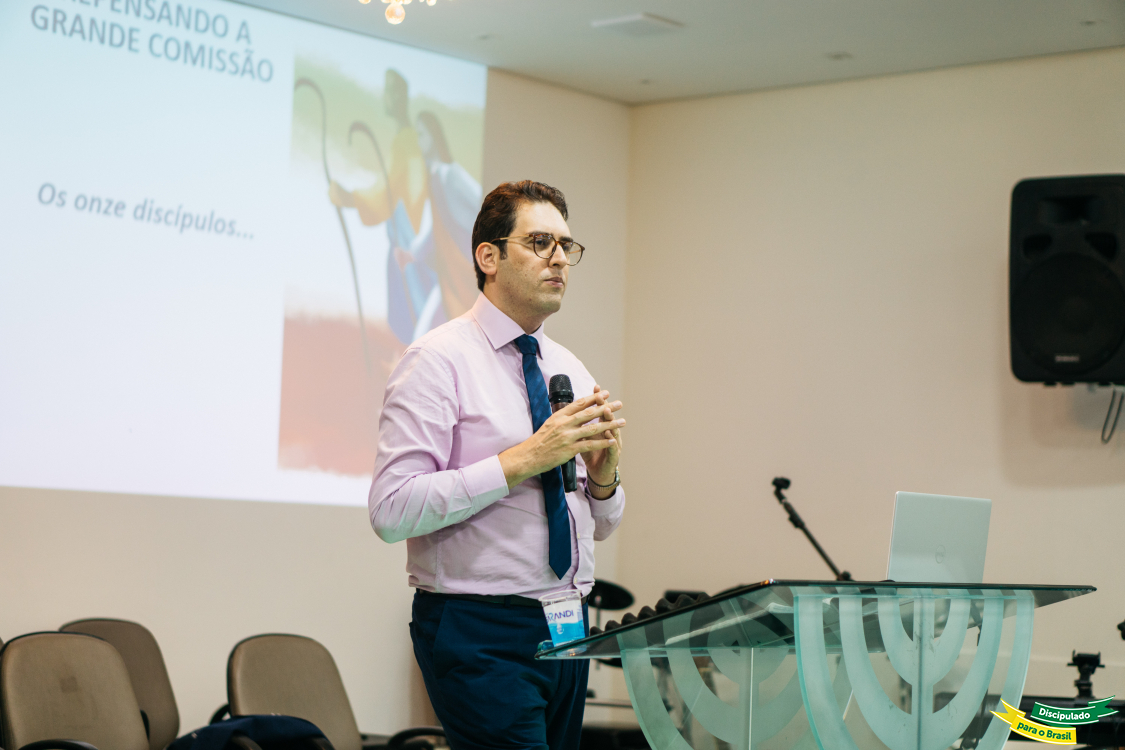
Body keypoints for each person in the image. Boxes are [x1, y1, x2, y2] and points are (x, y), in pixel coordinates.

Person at [368, 180, 626, 750]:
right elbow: (391, 510)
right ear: (488, 257)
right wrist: (524, 459)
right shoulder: (437, 361)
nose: (559, 258)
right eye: (539, 242)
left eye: (566, 245)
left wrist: (604, 477)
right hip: (480, 628)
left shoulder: (569, 367)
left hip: (568, 623)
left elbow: (601, 525)